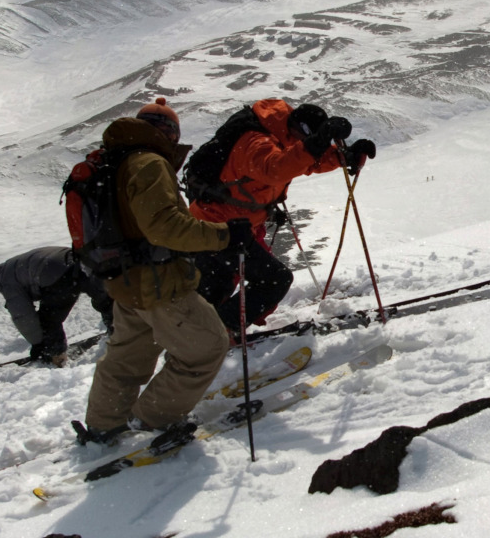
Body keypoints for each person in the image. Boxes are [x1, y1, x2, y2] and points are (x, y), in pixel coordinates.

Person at [77, 101, 231, 449]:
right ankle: (151, 418)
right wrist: (223, 235)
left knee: (127, 357)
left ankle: (104, 424)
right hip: (160, 284)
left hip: (124, 282)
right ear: (171, 134)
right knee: (208, 347)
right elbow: (165, 227)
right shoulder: (149, 163)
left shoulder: (117, 161)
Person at [186, 98, 371, 333]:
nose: (304, 143)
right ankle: (216, 334)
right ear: (300, 128)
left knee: (216, 287)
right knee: (274, 280)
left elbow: (304, 161)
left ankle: (200, 336)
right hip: (217, 227)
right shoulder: (255, 141)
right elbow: (277, 168)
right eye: (307, 138)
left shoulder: (282, 133)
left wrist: (345, 156)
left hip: (234, 226)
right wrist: (316, 142)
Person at [0, 245, 113, 365]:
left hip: (57, 275)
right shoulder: (17, 263)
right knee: (104, 298)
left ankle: (56, 357)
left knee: (49, 319)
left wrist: (39, 344)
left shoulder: (7, 280)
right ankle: (119, 329)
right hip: (77, 261)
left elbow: (23, 315)